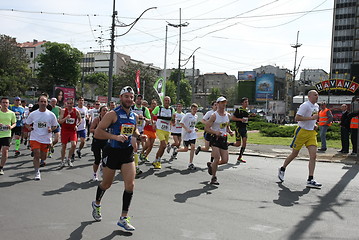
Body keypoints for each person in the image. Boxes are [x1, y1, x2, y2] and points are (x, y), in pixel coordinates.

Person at [91, 86, 146, 231]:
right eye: (126, 96)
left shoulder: (134, 116)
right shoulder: (112, 114)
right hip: (112, 151)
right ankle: (97, 204)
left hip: (127, 152)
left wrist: (140, 136)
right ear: (121, 98)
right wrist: (115, 137)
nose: (129, 99)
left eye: (131, 97)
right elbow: (97, 133)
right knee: (106, 184)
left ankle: (123, 218)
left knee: (130, 185)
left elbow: (133, 130)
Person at [278, 90, 322, 189]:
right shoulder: (305, 105)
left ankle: (310, 179)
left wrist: (314, 124)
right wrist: (311, 119)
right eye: (315, 95)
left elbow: (313, 118)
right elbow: (297, 118)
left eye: (317, 95)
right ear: (309, 96)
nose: (317, 96)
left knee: (313, 155)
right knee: (294, 154)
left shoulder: (316, 106)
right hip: (301, 132)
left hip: (311, 133)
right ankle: (282, 168)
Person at [25, 95, 58, 180]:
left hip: (46, 138)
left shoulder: (51, 115)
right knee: (36, 154)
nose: (43, 103)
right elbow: (27, 123)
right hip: (35, 137)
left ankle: (42, 159)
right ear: (38, 102)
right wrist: (29, 128)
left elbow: (55, 126)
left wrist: (51, 129)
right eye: (41, 101)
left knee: (43, 157)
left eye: (45, 102)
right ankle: (37, 172)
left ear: (47, 103)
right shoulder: (33, 114)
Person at [205, 96, 234, 185]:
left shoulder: (227, 115)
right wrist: (215, 132)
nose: (224, 104)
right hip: (215, 139)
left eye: (225, 102)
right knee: (217, 158)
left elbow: (226, 126)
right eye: (221, 102)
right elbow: (206, 128)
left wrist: (230, 131)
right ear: (217, 104)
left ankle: (212, 165)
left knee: (225, 160)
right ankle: (214, 177)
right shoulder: (214, 116)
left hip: (224, 139)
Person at [173, 103, 199, 169]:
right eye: (193, 109)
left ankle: (190, 163)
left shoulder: (196, 116)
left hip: (192, 134)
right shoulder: (187, 115)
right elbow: (181, 123)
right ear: (191, 109)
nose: (195, 111)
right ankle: (176, 150)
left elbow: (192, 125)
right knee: (186, 149)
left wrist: (194, 128)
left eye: (196, 109)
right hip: (186, 134)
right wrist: (186, 129)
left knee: (193, 146)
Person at [151, 96, 174, 169]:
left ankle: (156, 160)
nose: (167, 102)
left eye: (168, 100)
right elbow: (152, 114)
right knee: (163, 145)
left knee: (162, 147)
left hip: (167, 130)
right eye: (165, 100)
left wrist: (173, 122)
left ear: (170, 101)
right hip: (159, 129)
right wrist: (153, 123)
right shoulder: (159, 108)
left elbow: (173, 119)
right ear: (163, 101)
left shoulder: (171, 109)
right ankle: (158, 161)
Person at [130, 94, 151, 176]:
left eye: (140, 99)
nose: (139, 100)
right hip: (131, 130)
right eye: (137, 99)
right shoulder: (131, 108)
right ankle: (134, 166)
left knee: (136, 148)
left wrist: (144, 118)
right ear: (135, 100)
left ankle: (134, 165)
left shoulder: (144, 109)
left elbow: (149, 120)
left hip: (140, 131)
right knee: (134, 148)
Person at [58, 98, 81, 167]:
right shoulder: (63, 111)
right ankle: (62, 161)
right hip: (65, 130)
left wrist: (77, 125)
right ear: (66, 104)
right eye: (68, 103)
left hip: (72, 130)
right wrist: (66, 118)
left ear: (73, 104)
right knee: (64, 146)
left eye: (71, 103)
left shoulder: (76, 111)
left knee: (74, 144)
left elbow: (80, 120)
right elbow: (60, 121)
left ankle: (69, 158)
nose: (69, 105)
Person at [90, 105, 108, 181]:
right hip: (97, 140)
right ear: (100, 112)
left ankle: (103, 169)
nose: (105, 112)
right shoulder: (97, 119)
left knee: (105, 159)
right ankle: (94, 174)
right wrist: (98, 130)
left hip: (106, 141)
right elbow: (91, 129)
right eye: (103, 110)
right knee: (97, 159)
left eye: (106, 110)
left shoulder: (109, 121)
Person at [230, 97, 250, 163]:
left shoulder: (247, 110)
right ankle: (228, 144)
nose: (247, 103)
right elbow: (232, 118)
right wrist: (240, 120)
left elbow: (246, 118)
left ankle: (240, 157)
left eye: (247, 102)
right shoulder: (238, 109)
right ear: (242, 103)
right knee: (238, 144)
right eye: (245, 102)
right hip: (238, 128)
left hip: (244, 128)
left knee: (244, 142)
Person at [0, 97, 16, 175]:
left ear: (9, 104)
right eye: (3, 102)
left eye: (6, 103)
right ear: (1, 103)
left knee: (5, 151)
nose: (5, 104)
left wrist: (11, 127)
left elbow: (14, 123)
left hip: (7, 134)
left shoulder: (11, 113)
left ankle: (1, 167)